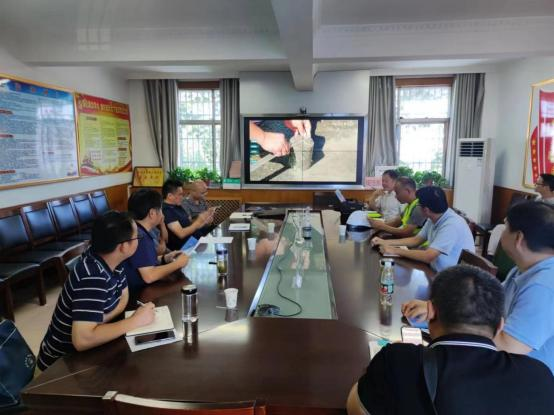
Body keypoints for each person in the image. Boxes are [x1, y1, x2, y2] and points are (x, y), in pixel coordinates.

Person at [347, 265, 554, 415]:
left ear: (431, 312)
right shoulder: (539, 376)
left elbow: (356, 408)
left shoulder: (399, 359)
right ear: (500, 326)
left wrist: (378, 367)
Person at [403, 201, 554, 375]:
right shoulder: (525, 268)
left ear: (518, 238)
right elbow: (484, 304)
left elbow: (509, 347)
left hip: (522, 379)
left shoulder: (543, 285)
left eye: (506, 227)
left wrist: (446, 321)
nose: (502, 233)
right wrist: (437, 308)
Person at [37, 211, 156, 371]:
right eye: (137, 237)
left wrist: (99, 322)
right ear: (123, 246)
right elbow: (83, 340)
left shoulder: (113, 259)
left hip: (89, 353)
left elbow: (123, 298)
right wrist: (135, 321)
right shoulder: (92, 275)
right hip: (61, 367)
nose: (139, 241)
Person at [371, 186, 474, 272]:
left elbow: (428, 256)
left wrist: (394, 250)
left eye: (419, 204)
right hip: (436, 270)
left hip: (451, 278)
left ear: (426, 210)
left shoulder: (451, 224)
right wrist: (385, 242)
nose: (417, 206)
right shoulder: (434, 216)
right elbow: (416, 240)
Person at [123, 189, 189, 294]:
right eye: (161, 209)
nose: (162, 214)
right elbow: (149, 276)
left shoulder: (137, 229)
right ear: (152, 213)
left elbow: (142, 263)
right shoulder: (140, 236)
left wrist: (164, 258)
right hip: (136, 293)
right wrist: (178, 263)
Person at [162, 179, 213, 251]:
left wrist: (203, 221)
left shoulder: (177, 206)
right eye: (180, 194)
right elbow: (181, 234)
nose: (182, 197)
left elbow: (189, 224)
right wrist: (198, 222)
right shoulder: (167, 210)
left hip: (194, 239)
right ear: (170, 196)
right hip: (184, 247)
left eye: (182, 194)